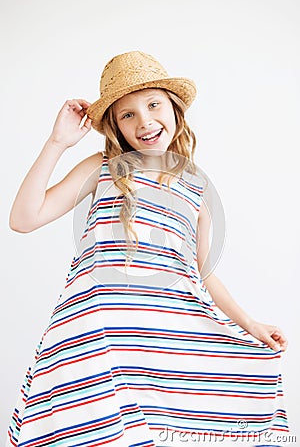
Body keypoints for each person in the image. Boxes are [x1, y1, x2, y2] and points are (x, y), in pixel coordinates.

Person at [7, 51, 289, 446]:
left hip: (160, 339)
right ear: (116, 128)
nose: (144, 121)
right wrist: (57, 143)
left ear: (174, 109)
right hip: (97, 334)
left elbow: (202, 272)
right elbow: (23, 219)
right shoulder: (103, 167)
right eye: (127, 115)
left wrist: (251, 325)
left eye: (154, 105)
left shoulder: (198, 188)